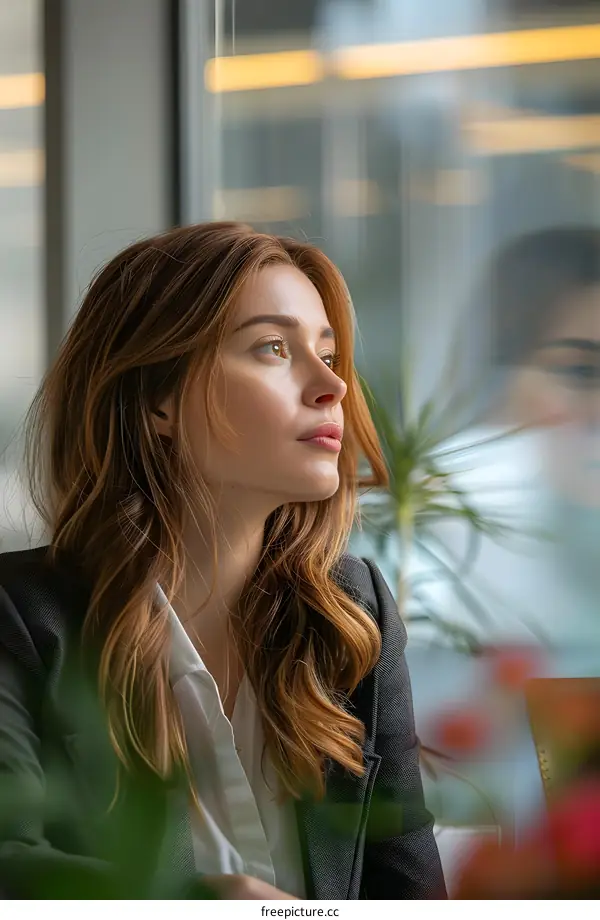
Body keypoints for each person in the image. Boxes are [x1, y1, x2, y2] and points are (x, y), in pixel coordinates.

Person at [0, 222, 445, 900]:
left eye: (327, 353)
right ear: (158, 400)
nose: (332, 386)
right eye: (273, 347)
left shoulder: (353, 612)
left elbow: (409, 895)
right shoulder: (21, 619)